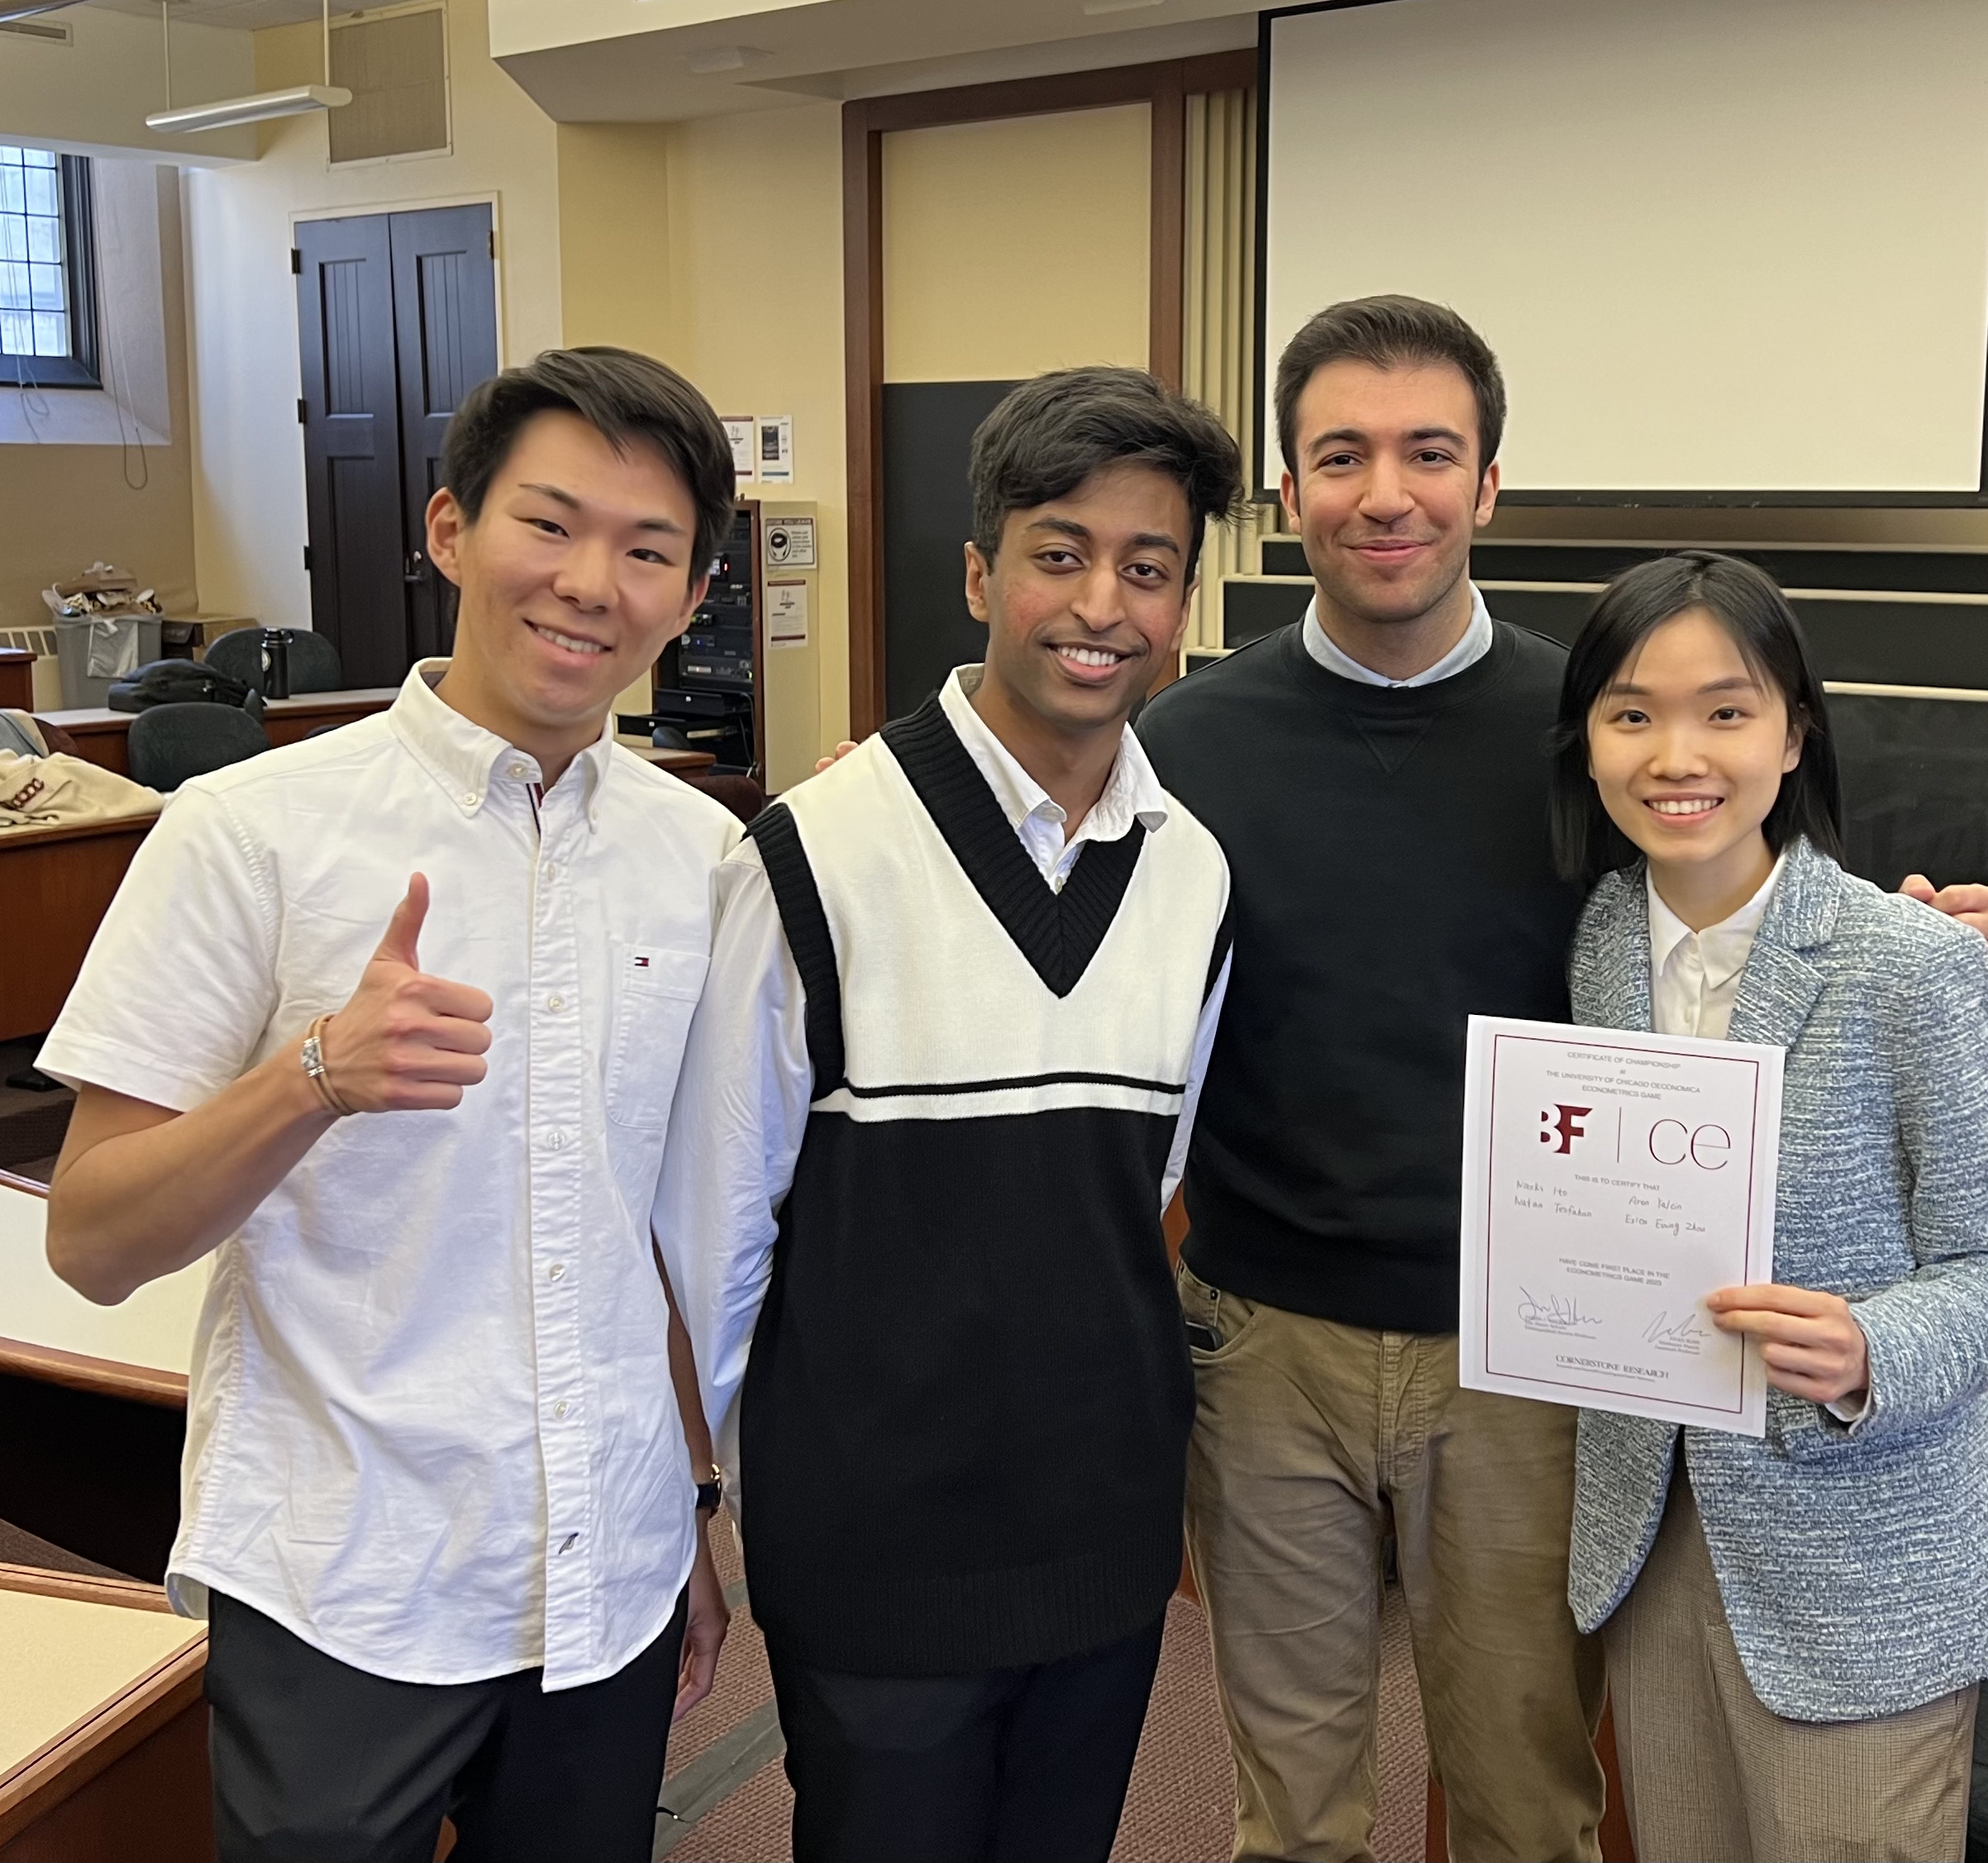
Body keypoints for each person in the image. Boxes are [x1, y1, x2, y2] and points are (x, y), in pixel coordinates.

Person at [1132, 293, 1988, 1863]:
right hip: (1266, 1351)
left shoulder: (1585, 723)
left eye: (1431, 452)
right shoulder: (1189, 740)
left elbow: (1734, 888)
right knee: (1287, 1808)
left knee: (1531, 1796)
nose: (1385, 492)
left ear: (1490, 485)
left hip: (1535, 1365)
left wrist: (1921, 928)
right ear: (1289, 493)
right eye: (1341, 455)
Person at [41, 347, 741, 1863]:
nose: (588, 582)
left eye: (647, 550)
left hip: (600, 1569)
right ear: (448, 530)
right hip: (345, 1565)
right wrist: (311, 1083)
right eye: (547, 525)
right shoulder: (254, 832)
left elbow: (673, 1231)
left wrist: (690, 1501)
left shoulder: (706, 860)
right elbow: (92, 1239)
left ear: (691, 600)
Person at [656, 365, 1239, 1863]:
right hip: (874, 1538)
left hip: (1101, 1531)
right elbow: (711, 1231)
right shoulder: (813, 852)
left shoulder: (1196, 877)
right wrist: (692, 1515)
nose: (1102, 602)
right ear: (980, 571)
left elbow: (1134, 1196)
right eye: (1060, 553)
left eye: (1149, 567)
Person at [1552, 550, 1988, 1861]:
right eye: (1631, 712)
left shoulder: (1916, 965)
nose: (1678, 754)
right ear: (1589, 743)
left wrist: (1869, 1350)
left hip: (1868, 1558)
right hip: (1658, 1534)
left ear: (1793, 734)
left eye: (1727, 711)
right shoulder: (1593, 942)